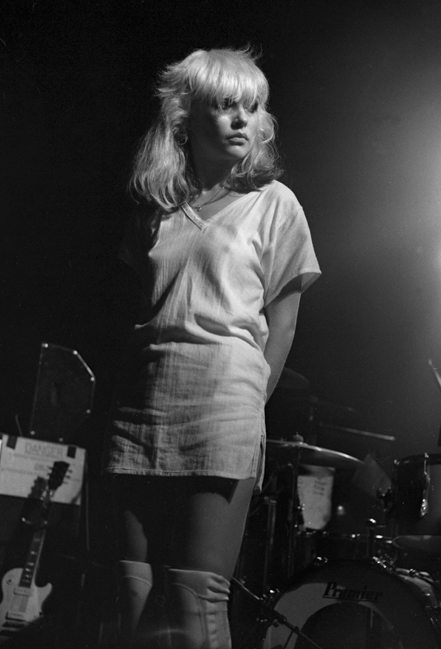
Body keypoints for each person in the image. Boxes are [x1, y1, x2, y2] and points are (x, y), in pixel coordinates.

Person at [101, 47, 321, 649]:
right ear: (185, 118)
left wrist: (252, 405)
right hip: (141, 404)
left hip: (223, 401)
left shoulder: (275, 204)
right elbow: (132, 312)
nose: (241, 120)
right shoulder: (153, 210)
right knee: (131, 596)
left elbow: (284, 319)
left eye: (252, 107)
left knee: (194, 600)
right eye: (225, 106)